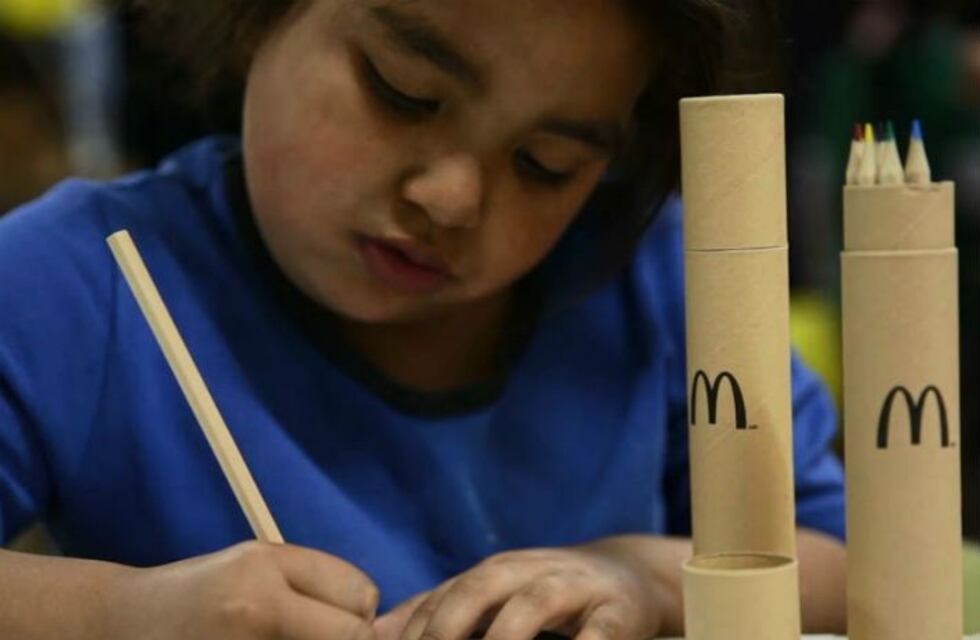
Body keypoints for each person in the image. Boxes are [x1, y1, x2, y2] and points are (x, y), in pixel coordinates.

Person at [0, 1, 847, 638]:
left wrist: (654, 582)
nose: (452, 198)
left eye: (544, 164)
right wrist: (120, 615)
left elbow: (856, 565)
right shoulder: (83, 276)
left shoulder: (658, 277)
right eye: (403, 93)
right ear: (261, 15)